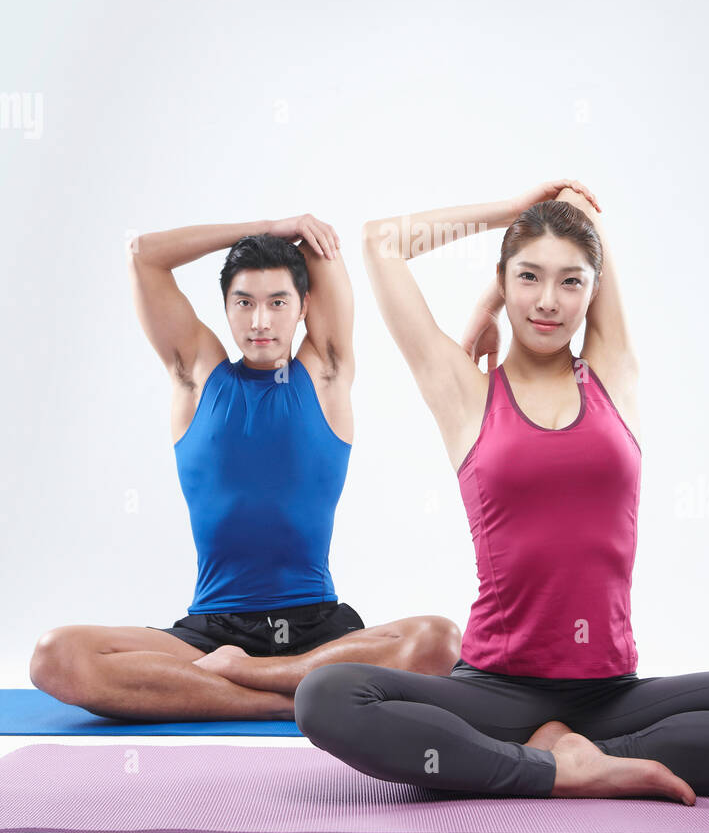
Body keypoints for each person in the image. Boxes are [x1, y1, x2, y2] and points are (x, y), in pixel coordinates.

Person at [293, 181, 709, 801]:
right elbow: (381, 242)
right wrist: (514, 210)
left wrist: (564, 214)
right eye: (528, 277)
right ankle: (557, 768)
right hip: (492, 690)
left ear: (593, 292)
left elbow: (585, 220)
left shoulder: (614, 372)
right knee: (326, 695)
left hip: (610, 696)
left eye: (571, 282)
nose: (547, 301)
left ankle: (571, 757)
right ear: (502, 282)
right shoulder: (465, 393)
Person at [29, 214, 461, 722]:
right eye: (245, 303)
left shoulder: (326, 370)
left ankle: (242, 681)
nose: (261, 321)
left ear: (304, 308)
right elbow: (143, 254)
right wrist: (270, 226)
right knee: (56, 657)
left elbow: (325, 256)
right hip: (212, 635)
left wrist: (296, 236)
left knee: (438, 641)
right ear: (226, 309)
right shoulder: (196, 376)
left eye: (278, 302)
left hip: (316, 631)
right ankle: (288, 699)